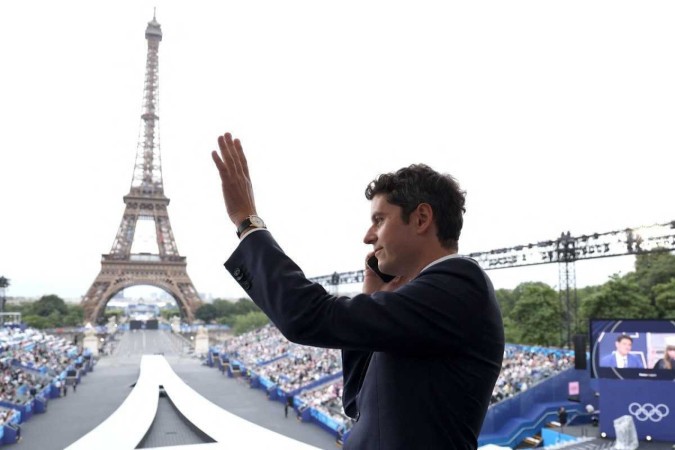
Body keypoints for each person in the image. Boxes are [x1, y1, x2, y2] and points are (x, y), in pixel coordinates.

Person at [212, 132, 505, 449]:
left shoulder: (458, 284)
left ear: (421, 218)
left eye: (379, 220)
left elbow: (309, 316)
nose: (368, 236)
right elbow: (358, 403)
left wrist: (248, 223)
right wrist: (370, 298)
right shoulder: (433, 298)